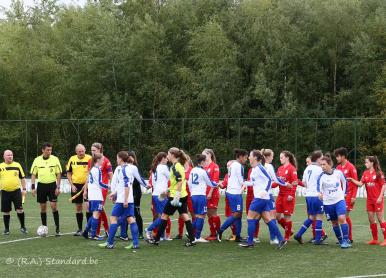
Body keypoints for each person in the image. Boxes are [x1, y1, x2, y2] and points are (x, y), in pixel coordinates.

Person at [146, 147, 196, 247]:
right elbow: (175, 182)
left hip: (176, 197)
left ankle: (156, 240)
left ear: (173, 155)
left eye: (168, 154)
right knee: (184, 216)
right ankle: (192, 239)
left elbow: (180, 181)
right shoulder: (177, 165)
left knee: (164, 216)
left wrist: (176, 196)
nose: (167, 156)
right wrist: (167, 191)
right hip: (182, 195)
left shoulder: (175, 166)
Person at [239, 150, 287, 249]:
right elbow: (253, 182)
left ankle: (250, 242)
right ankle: (281, 239)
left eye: (250, 156)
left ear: (255, 158)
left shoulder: (260, 168)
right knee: (267, 219)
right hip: (263, 198)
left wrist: (265, 190)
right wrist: (244, 183)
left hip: (260, 198)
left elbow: (269, 179)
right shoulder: (255, 169)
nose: (249, 158)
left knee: (250, 218)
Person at [99, 151, 140, 249]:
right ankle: (135, 243)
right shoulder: (129, 168)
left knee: (113, 218)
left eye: (117, 158)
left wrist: (124, 200)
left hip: (123, 200)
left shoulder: (123, 169)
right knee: (130, 219)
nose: (116, 159)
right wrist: (114, 193)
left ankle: (110, 242)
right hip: (128, 199)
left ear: (121, 159)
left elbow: (126, 186)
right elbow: (123, 185)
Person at [347, 156, 386, 246]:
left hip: (378, 200)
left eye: (367, 162)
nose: (365, 164)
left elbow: (383, 185)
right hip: (369, 200)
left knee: (380, 219)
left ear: (372, 163)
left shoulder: (379, 173)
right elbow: (360, 184)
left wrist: (380, 197)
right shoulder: (365, 173)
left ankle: (385, 239)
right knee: (371, 219)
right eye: (365, 162)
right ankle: (375, 239)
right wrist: (352, 180)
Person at [317, 156, 351, 249]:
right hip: (328, 203)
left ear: (330, 164)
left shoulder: (338, 173)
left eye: (324, 164)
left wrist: (344, 193)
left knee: (342, 218)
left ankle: (345, 240)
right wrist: (319, 194)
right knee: (334, 223)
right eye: (321, 165)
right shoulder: (321, 176)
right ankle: (340, 240)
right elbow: (318, 188)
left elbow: (345, 182)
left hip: (339, 200)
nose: (322, 166)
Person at [294, 150, 328, 245]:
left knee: (312, 217)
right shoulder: (319, 169)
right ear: (318, 159)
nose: (322, 161)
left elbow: (304, 183)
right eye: (321, 158)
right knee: (319, 217)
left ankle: (299, 234)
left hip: (308, 196)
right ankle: (317, 240)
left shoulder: (307, 168)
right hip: (317, 196)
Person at [216, 149, 248, 243]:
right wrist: (252, 183)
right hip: (235, 193)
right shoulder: (238, 166)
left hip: (232, 191)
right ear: (240, 157)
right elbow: (241, 181)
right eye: (245, 158)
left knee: (238, 215)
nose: (246, 160)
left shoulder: (233, 164)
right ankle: (220, 230)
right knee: (236, 214)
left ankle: (237, 236)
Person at [30, 142, 62, 236]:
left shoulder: (55, 159)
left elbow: (59, 173)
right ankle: (44, 229)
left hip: (52, 186)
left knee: (53, 206)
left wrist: (58, 187)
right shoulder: (37, 160)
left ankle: (57, 229)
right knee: (43, 208)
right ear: (43, 150)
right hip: (41, 186)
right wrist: (32, 187)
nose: (49, 151)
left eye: (50, 150)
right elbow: (33, 174)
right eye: (48, 150)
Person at [261, 149, 290, 244]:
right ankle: (273, 238)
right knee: (272, 217)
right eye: (272, 156)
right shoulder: (269, 166)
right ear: (268, 156)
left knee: (255, 217)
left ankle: (251, 238)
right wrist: (285, 183)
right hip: (268, 195)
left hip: (259, 194)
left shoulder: (259, 165)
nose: (273, 158)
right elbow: (275, 179)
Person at [188, 154, 218, 243]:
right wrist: (218, 184)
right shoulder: (203, 171)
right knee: (201, 216)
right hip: (201, 196)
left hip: (193, 195)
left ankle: (190, 233)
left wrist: (192, 192)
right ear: (202, 162)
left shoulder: (193, 170)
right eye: (205, 161)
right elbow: (210, 183)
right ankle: (197, 237)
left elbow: (189, 183)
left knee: (197, 215)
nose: (206, 163)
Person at [66, 144, 92, 236]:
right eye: (79, 151)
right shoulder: (72, 159)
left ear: (85, 150)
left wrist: (87, 184)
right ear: (76, 152)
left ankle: (89, 228)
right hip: (75, 186)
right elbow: (69, 173)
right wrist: (72, 185)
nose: (81, 153)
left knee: (88, 206)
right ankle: (80, 229)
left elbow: (91, 172)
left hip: (88, 185)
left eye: (82, 151)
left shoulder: (90, 158)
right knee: (78, 207)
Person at [88, 143, 113, 238]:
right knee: (98, 210)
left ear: (99, 150)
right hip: (93, 190)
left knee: (98, 210)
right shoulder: (91, 160)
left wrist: (112, 188)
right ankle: (104, 230)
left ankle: (97, 232)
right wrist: (86, 189)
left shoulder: (105, 160)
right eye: (91, 150)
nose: (92, 152)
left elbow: (111, 174)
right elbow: (88, 176)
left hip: (102, 189)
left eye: (94, 150)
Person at [0, 150, 27, 235]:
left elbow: (22, 178)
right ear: (4, 156)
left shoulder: (17, 165)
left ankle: (23, 227)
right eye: (8, 155)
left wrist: (24, 189)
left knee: (20, 209)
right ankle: (7, 229)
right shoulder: (0, 166)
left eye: (11, 155)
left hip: (16, 191)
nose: (10, 156)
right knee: (6, 211)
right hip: (4, 192)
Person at [334, 147, 358, 243]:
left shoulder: (351, 167)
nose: (337, 158)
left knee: (344, 216)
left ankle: (349, 238)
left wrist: (353, 196)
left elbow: (356, 183)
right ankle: (346, 237)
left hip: (349, 195)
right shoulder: (338, 168)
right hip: (340, 196)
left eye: (338, 156)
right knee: (341, 217)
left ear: (343, 156)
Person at [273, 151, 298, 241]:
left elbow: (295, 182)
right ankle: (289, 231)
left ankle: (286, 237)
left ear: (287, 158)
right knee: (277, 215)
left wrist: (292, 194)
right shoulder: (280, 169)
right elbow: (276, 182)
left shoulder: (292, 168)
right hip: (280, 195)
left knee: (287, 216)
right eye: (280, 157)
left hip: (288, 195)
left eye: (282, 157)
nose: (280, 159)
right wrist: (269, 185)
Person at [82, 154, 108, 240]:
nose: (103, 161)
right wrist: (110, 186)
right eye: (102, 160)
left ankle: (86, 231)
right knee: (96, 215)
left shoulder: (92, 169)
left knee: (94, 215)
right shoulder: (98, 170)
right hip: (97, 195)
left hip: (92, 195)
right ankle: (93, 235)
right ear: (98, 160)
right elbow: (100, 183)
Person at [145, 152, 170, 240]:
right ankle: (148, 229)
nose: (167, 159)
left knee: (162, 215)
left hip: (156, 194)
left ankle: (161, 235)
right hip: (161, 195)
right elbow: (171, 178)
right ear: (163, 158)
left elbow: (154, 184)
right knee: (164, 216)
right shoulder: (163, 167)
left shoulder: (156, 168)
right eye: (166, 158)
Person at [127, 151, 148, 239]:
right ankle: (123, 233)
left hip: (135, 192)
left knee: (136, 213)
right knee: (126, 213)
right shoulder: (125, 167)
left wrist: (146, 185)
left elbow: (139, 179)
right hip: (128, 192)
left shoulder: (134, 167)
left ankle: (140, 233)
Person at [202, 149, 221, 241]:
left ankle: (218, 233)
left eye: (204, 154)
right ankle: (213, 233)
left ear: (209, 155)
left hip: (212, 194)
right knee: (209, 214)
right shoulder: (204, 166)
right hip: (204, 193)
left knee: (213, 213)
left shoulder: (215, 166)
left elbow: (215, 181)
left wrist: (210, 192)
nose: (202, 156)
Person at [219, 160, 237, 241]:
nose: (228, 167)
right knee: (229, 216)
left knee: (233, 216)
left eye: (229, 166)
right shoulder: (227, 175)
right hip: (228, 199)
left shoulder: (235, 175)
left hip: (233, 198)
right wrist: (219, 184)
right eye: (227, 166)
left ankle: (235, 234)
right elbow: (223, 185)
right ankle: (234, 234)